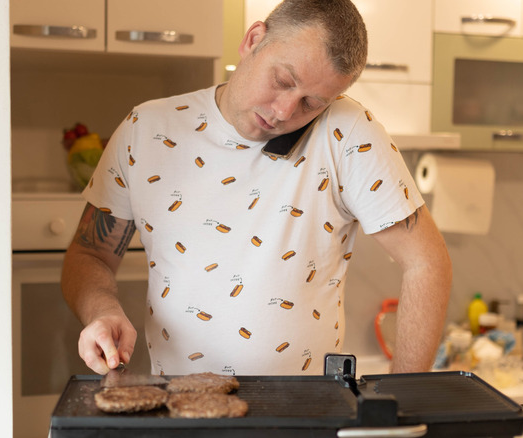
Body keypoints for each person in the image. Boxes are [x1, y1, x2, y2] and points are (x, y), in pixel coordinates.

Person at [62, 0, 451, 377]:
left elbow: (427, 262)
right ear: (253, 40)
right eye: (282, 81)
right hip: (180, 409)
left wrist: (405, 399)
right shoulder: (145, 129)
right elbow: (90, 253)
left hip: (306, 416)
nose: (284, 112)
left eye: (311, 102)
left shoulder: (348, 132)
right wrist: (102, 311)